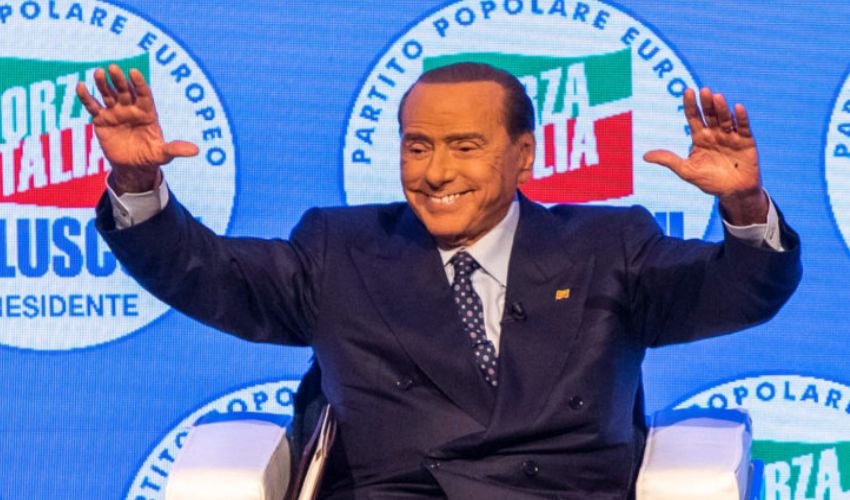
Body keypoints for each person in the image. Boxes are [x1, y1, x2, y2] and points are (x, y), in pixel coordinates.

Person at [78, 62, 800, 499]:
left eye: (465, 146)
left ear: (524, 155)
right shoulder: (342, 249)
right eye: (418, 146)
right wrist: (137, 184)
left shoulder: (605, 246)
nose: (436, 171)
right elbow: (208, 275)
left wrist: (742, 205)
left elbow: (739, 292)